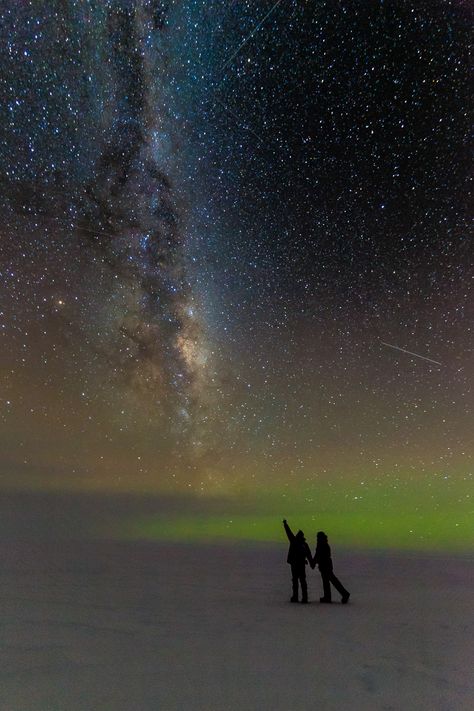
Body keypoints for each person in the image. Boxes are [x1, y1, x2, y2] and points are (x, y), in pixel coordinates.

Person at [312, 530, 350, 604]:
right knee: (329, 581)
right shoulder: (324, 544)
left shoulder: (322, 545)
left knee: (331, 581)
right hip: (326, 566)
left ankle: (343, 594)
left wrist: (313, 562)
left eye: (318, 537)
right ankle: (329, 596)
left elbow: (319, 556)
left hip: (325, 566)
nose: (317, 539)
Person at [283, 519, 313, 603]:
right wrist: (311, 563)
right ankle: (304, 597)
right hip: (300, 565)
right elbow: (309, 555)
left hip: (295, 565)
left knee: (296, 581)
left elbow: (288, 533)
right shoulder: (304, 544)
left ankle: (296, 597)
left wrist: (285, 525)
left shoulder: (294, 541)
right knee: (302, 581)